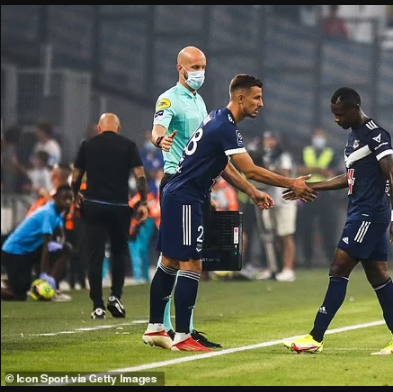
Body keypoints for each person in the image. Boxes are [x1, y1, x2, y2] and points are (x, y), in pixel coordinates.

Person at [142, 74, 317, 352]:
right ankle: (183, 336)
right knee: (191, 263)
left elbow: (224, 166)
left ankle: (155, 328)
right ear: (240, 98)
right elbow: (250, 168)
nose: (261, 103)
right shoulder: (225, 126)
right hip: (186, 196)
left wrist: (251, 191)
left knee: (171, 260)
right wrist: (291, 183)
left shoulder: (217, 118)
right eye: (257, 97)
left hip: (181, 192)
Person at [283, 87, 393, 356]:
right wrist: (312, 187)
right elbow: (349, 178)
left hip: (369, 213)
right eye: (334, 114)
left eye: (340, 114)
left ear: (356, 109)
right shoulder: (354, 137)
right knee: (379, 275)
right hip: (362, 211)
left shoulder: (375, 134)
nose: (336, 120)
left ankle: (315, 337)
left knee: (339, 267)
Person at [149, 45, 220, 349]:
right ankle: (179, 332)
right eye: (194, 66)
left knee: (173, 258)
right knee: (189, 260)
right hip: (179, 182)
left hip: (196, 185)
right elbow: (158, 128)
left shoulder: (199, 100)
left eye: (202, 66)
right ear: (180, 68)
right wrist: (159, 139)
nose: (199, 72)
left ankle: (164, 327)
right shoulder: (169, 98)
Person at [71, 113, 149, 320]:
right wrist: (143, 202)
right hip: (119, 206)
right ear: (119, 127)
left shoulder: (87, 146)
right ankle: (115, 297)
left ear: (99, 128)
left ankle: (97, 305)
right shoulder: (129, 145)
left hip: (94, 206)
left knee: (95, 255)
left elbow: (76, 176)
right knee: (119, 252)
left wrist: (75, 193)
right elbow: (140, 177)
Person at [1, 185, 73, 301]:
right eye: (65, 198)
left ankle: (50, 289)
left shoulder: (59, 213)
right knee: (19, 295)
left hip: (30, 250)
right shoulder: (48, 212)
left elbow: (60, 235)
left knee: (65, 249)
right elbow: (46, 245)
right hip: (14, 252)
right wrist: (44, 274)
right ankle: (15, 285)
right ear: (55, 198)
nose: (68, 201)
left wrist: (61, 244)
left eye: (70, 198)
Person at [297, 129, 341, 268]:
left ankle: (330, 257)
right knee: (306, 226)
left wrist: (325, 173)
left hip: (325, 193)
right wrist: (317, 170)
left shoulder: (331, 153)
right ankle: (307, 258)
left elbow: (335, 172)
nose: (318, 139)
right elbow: (298, 169)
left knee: (328, 226)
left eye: (321, 137)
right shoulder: (305, 151)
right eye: (317, 136)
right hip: (308, 191)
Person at [262, 131, 298, 282]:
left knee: (286, 235)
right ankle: (273, 267)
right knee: (272, 235)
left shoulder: (284, 156)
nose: (268, 142)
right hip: (271, 199)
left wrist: (268, 169)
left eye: (271, 139)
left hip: (285, 201)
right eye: (266, 139)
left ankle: (288, 269)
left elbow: (286, 173)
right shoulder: (266, 156)